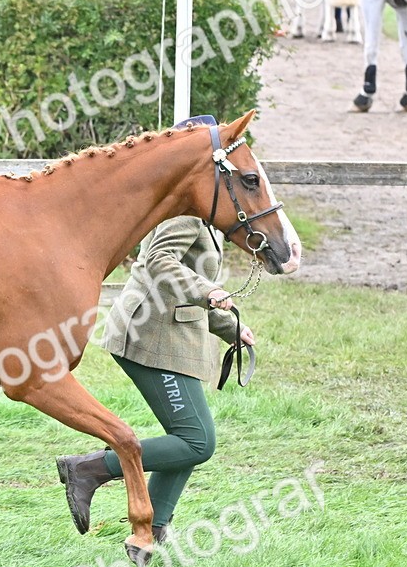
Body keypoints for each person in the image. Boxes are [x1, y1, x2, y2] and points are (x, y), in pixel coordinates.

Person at [55, 193, 256, 548]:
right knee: (197, 441)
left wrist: (230, 328)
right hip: (150, 338)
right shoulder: (183, 211)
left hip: (172, 338)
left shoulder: (205, 214)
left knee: (185, 439)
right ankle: (88, 470)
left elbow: (184, 281)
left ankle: (153, 533)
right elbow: (159, 261)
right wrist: (209, 290)